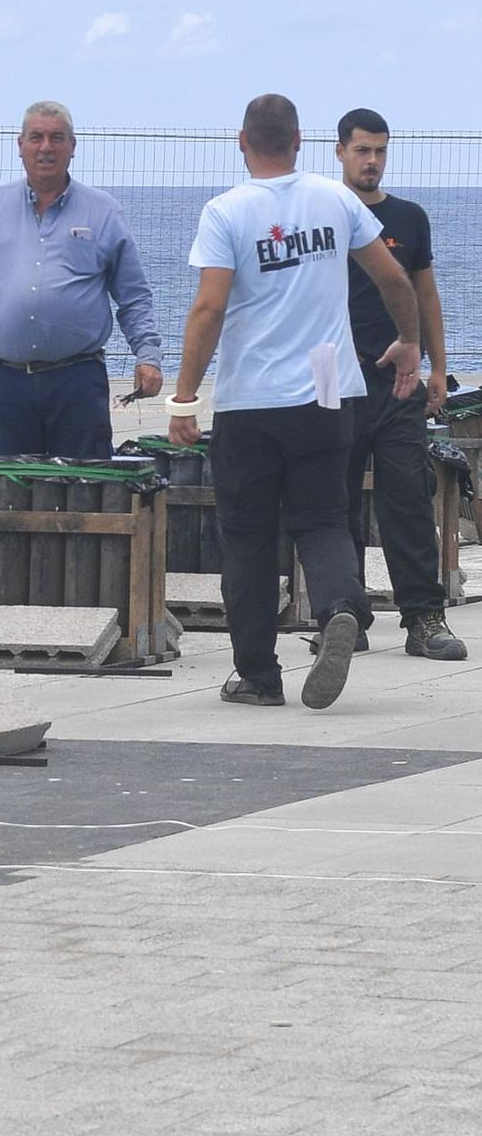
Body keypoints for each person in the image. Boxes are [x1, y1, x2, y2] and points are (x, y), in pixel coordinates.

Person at [168, 94, 421, 711]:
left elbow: (210, 307)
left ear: (241, 140)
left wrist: (183, 397)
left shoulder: (226, 211)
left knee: (249, 538)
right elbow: (393, 277)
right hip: (327, 392)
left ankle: (257, 674)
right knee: (324, 519)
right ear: (301, 140)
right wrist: (410, 343)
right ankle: (340, 608)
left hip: (250, 400)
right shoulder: (334, 201)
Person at [0, 102, 163, 458]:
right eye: (36, 137)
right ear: (20, 145)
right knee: (10, 496)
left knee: (86, 495)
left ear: (72, 146)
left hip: (77, 382)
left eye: (56, 138)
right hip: (6, 385)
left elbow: (133, 296)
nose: (46, 147)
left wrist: (148, 356)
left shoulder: (103, 211)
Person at [334, 107, 465, 660]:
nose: (372, 161)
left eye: (380, 151)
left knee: (408, 499)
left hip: (400, 384)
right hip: (337, 382)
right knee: (334, 502)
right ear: (339, 151)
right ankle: (342, 616)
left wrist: (437, 366)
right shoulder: (325, 214)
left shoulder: (409, 218)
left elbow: (425, 294)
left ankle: (423, 617)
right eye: (362, 150)